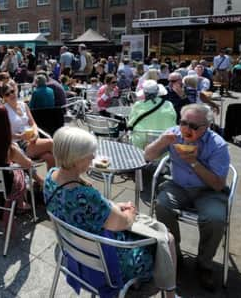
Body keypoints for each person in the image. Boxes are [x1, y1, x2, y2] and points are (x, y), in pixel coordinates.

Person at [45, 127, 178, 298]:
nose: (93, 157)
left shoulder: (50, 177)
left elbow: (92, 209)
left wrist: (111, 207)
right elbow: (124, 223)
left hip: (75, 252)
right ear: (75, 159)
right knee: (168, 240)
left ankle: (145, 285)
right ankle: (170, 294)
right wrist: (129, 211)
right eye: (89, 154)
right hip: (106, 263)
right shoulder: (85, 196)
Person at [145, 104, 230, 291]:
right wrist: (161, 141)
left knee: (215, 219)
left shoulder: (217, 145)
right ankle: (175, 257)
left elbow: (218, 184)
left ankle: (204, 264)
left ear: (206, 127)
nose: (187, 129)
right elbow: (148, 156)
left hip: (208, 191)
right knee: (162, 206)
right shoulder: (173, 134)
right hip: (178, 186)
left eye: (193, 126)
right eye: (184, 123)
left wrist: (194, 163)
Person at [1, 82, 55, 169]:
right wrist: (20, 136)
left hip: (32, 139)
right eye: (7, 94)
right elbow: (2, 133)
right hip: (18, 143)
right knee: (51, 143)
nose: (11, 94)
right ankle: (69, 172)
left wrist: (36, 133)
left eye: (12, 91)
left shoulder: (23, 105)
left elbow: (32, 123)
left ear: (15, 91)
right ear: (4, 98)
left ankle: (51, 181)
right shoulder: (3, 110)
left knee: (50, 157)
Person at [128, 80, 177, 149]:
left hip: (141, 144)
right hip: (164, 144)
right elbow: (173, 122)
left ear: (144, 92)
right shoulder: (168, 104)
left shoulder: (138, 105)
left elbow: (130, 124)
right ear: (158, 92)